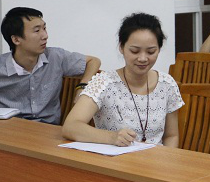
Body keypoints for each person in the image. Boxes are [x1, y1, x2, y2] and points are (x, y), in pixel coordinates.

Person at [0, 7, 101, 124]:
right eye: (37, 31)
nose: (45, 36)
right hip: (9, 134)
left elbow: (93, 61)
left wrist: (82, 87)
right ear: (16, 39)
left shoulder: (56, 57)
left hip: (49, 133)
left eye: (44, 28)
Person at [62, 13, 182, 146]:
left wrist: (168, 159)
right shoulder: (104, 83)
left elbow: (171, 135)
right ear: (121, 47)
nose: (143, 58)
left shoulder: (167, 84)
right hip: (115, 158)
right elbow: (71, 126)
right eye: (135, 51)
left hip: (156, 158)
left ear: (159, 49)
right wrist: (112, 137)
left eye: (151, 52)